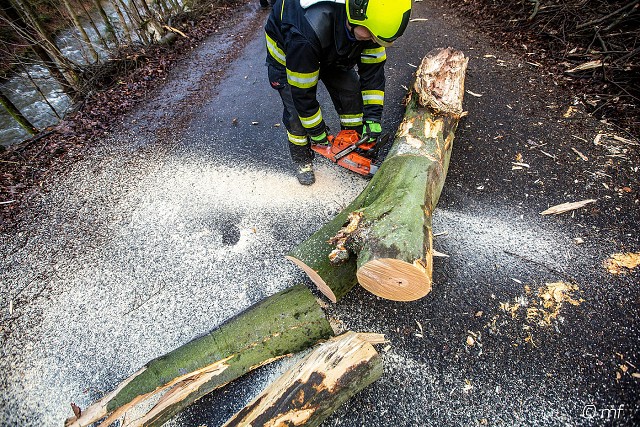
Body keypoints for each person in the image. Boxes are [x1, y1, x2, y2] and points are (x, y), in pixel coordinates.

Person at [264, 0, 411, 185]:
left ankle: (352, 147)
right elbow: (302, 95)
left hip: (333, 47)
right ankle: (302, 160)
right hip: (291, 57)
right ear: (356, 17)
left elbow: (373, 75)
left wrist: (373, 118)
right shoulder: (305, 36)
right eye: (372, 36)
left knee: (350, 92)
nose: (375, 40)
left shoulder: (373, 23)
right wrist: (317, 132)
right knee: (296, 116)